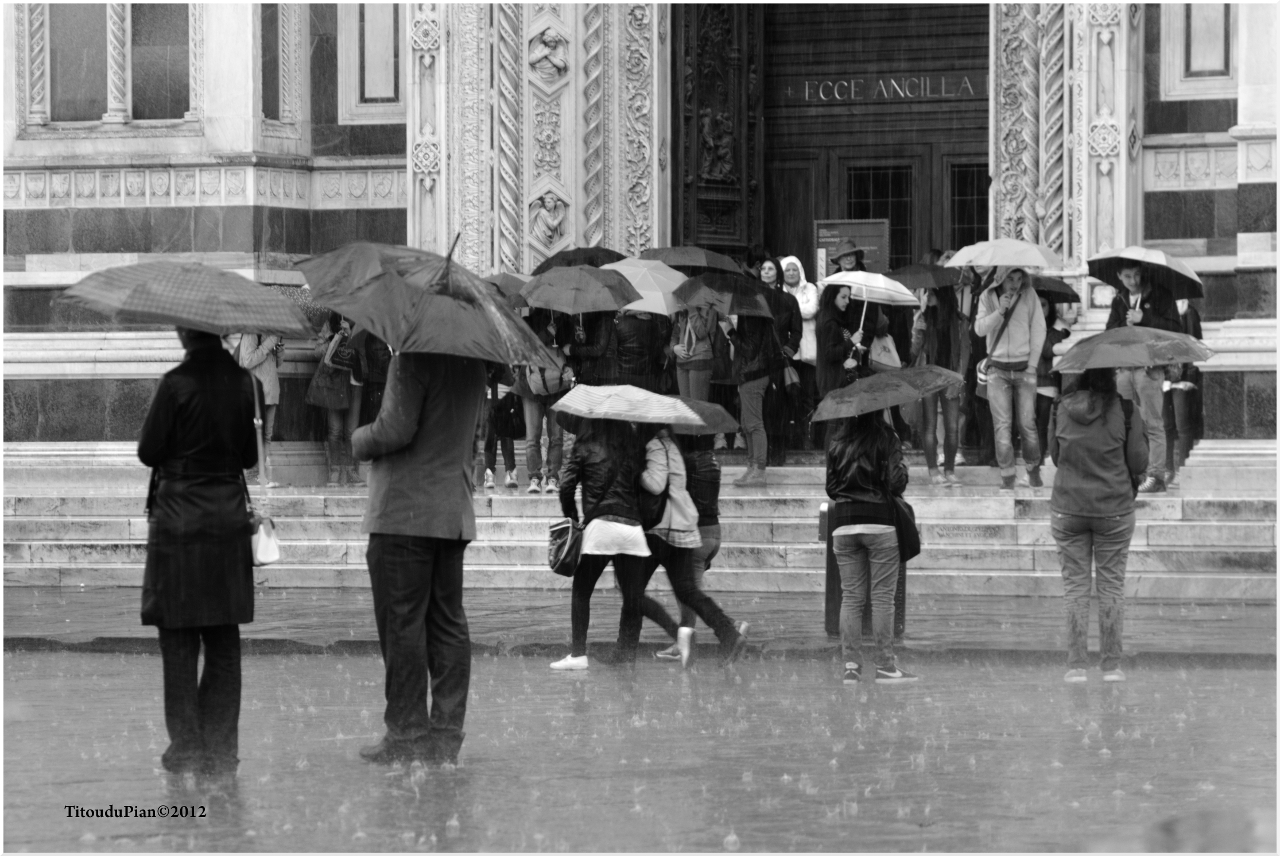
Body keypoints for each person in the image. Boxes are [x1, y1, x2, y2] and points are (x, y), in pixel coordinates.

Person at [351, 351, 486, 765]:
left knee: (402, 624)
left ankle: (407, 733)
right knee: (447, 622)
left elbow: (395, 429)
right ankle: (445, 735)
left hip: (403, 511)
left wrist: (359, 438)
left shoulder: (411, 360)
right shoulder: (473, 364)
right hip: (451, 513)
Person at [139, 326, 258, 774]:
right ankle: (221, 747)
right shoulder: (246, 382)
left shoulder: (175, 384)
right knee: (224, 640)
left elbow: (148, 451)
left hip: (180, 524)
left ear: (186, 334)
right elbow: (248, 457)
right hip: (227, 521)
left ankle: (187, 745)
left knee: (179, 638)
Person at [1048, 367, 1148, 683]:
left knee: (1075, 588)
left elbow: (1054, 455)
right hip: (1114, 510)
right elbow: (1138, 462)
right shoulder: (1127, 409)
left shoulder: (1059, 407)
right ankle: (1110, 667)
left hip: (1068, 507)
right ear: (1111, 377)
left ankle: (1077, 666)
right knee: (1110, 587)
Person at [633, 426, 748, 667]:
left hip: (667, 528)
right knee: (688, 592)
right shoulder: (692, 454)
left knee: (635, 590)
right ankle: (726, 631)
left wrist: (636, 470)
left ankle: (671, 640)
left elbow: (656, 484)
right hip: (693, 526)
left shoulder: (661, 449)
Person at [825, 409, 917, 684]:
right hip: (880, 522)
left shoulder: (836, 442)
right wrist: (902, 467)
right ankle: (886, 667)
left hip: (843, 524)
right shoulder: (887, 437)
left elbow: (831, 489)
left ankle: (851, 667)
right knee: (882, 599)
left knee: (851, 598)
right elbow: (896, 484)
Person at [552, 418, 650, 670]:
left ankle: (578, 654)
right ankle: (628, 653)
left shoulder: (584, 446)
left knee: (582, 590)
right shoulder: (632, 447)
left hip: (601, 526)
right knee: (632, 596)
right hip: (632, 528)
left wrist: (573, 518)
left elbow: (565, 486)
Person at [1105, 262, 1181, 493]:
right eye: (1127, 276)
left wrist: (1144, 318)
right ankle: (1129, 473)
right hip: (1125, 368)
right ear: (1119, 275)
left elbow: (1173, 328)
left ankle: (1156, 476)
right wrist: (1124, 325)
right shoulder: (1119, 300)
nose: (1133, 281)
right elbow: (1109, 332)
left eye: (1137, 275)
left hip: (1149, 368)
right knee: (1125, 422)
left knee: (1153, 423)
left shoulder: (1160, 296)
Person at [646, 432, 723, 660]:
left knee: (688, 595)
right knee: (691, 593)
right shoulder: (712, 461)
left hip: (696, 533)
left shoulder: (687, 461)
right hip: (714, 532)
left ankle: (722, 631)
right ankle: (719, 632)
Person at [973, 267, 1046, 491]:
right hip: (997, 370)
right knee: (1002, 426)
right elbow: (979, 329)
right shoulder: (987, 296)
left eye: (1018, 278)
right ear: (1000, 279)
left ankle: (1033, 470)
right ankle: (1007, 476)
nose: (1014, 283)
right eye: (1009, 279)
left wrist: (1033, 365)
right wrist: (999, 312)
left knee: (1027, 425)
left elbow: (1039, 329)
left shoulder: (1030, 295)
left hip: (1024, 368)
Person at [721, 301, 785, 487]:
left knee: (754, 424)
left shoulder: (752, 318)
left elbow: (749, 350)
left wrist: (731, 332)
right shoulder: (753, 315)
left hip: (753, 374)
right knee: (748, 424)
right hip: (750, 374)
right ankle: (752, 467)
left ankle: (759, 469)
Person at [911, 284, 968, 486]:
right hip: (929, 376)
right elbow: (914, 351)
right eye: (926, 292)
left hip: (950, 376)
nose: (928, 296)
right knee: (930, 426)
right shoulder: (924, 318)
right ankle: (933, 470)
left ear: (943, 295)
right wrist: (918, 333)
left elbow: (964, 353)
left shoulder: (960, 320)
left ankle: (949, 470)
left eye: (932, 292)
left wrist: (958, 380)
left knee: (952, 427)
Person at [516, 307, 572, 493]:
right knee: (532, 437)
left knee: (556, 436)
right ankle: (534, 477)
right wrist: (547, 333)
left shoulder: (565, 320)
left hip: (557, 387)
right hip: (531, 388)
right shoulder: (527, 321)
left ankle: (553, 477)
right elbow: (525, 347)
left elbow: (570, 352)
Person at [756, 257, 803, 465]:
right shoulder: (754, 298)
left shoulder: (788, 300)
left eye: (770, 268)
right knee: (761, 406)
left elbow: (797, 330)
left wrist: (788, 350)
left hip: (780, 360)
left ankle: (779, 450)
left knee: (780, 407)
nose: (766, 272)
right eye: (763, 269)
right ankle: (761, 452)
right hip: (759, 360)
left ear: (778, 273)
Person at [311, 313, 364, 487]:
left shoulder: (362, 322)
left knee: (351, 431)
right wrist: (333, 339)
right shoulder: (331, 323)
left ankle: (350, 470)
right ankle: (334, 470)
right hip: (334, 383)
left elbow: (365, 355)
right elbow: (317, 352)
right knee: (335, 430)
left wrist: (351, 335)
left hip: (355, 383)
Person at [778, 256, 821, 446]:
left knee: (808, 396)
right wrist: (794, 312)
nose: (791, 273)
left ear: (800, 270)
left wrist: (791, 311)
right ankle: (790, 437)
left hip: (808, 353)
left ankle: (807, 437)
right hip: (788, 351)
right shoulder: (778, 292)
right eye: (787, 270)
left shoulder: (810, 288)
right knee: (789, 395)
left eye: (794, 269)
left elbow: (812, 309)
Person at [1164, 299, 1204, 486]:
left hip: (1182, 377)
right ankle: (1167, 469)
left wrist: (1190, 376)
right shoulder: (1159, 310)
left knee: (1183, 424)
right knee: (1165, 425)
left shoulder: (1189, 313)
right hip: (1161, 374)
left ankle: (1183, 469)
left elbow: (1194, 346)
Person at [235, 331, 282, 488]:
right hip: (255, 391)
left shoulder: (272, 333)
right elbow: (247, 361)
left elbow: (278, 363)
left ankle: (260, 476)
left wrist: (279, 350)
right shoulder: (251, 332)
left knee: (266, 436)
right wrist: (270, 342)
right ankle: (252, 475)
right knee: (255, 436)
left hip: (271, 390)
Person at [815, 282, 864, 417]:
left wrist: (854, 347)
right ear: (833, 297)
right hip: (833, 380)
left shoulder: (828, 317)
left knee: (835, 423)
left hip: (831, 379)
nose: (847, 301)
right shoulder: (829, 322)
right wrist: (851, 342)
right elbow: (830, 354)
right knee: (835, 424)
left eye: (848, 297)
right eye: (843, 297)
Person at [1034, 297, 1072, 470]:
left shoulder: (1058, 328)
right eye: (1036, 305)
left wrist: (1041, 328)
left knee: (1043, 425)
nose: (1040, 309)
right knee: (1029, 426)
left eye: (1043, 304)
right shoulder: (1025, 324)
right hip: (1027, 381)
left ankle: (1040, 460)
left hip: (1047, 383)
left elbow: (1047, 350)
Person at [478, 362, 518, 489]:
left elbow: (500, 369)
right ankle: (491, 472)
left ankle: (510, 471)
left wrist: (487, 382)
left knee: (504, 432)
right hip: (492, 391)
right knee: (491, 433)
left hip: (502, 388)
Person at [671, 303, 718, 401]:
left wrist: (691, 309)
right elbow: (676, 332)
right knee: (686, 407)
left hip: (700, 358)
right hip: (682, 360)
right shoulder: (681, 307)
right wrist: (674, 347)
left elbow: (701, 332)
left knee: (697, 407)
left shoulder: (709, 307)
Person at [615, 309, 666, 393]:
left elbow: (614, 347)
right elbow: (658, 348)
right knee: (645, 404)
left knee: (625, 404)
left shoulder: (619, 322)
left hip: (624, 373)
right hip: (647, 374)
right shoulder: (653, 324)